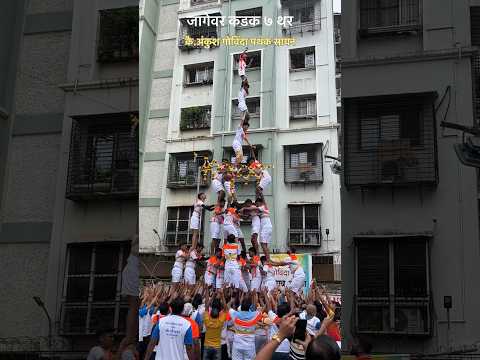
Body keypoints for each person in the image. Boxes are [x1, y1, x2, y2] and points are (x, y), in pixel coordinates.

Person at [230, 295, 263, 360]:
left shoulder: (235, 314)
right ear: (250, 306)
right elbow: (264, 308)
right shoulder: (255, 315)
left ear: (241, 306)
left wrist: (231, 301)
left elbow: (227, 307)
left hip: (237, 345)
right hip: (249, 347)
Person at [203, 290, 229, 360]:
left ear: (210, 314)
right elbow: (225, 309)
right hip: (217, 347)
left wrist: (213, 295)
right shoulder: (220, 321)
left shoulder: (207, 320)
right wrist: (222, 295)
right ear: (218, 315)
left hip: (207, 346)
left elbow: (206, 307)